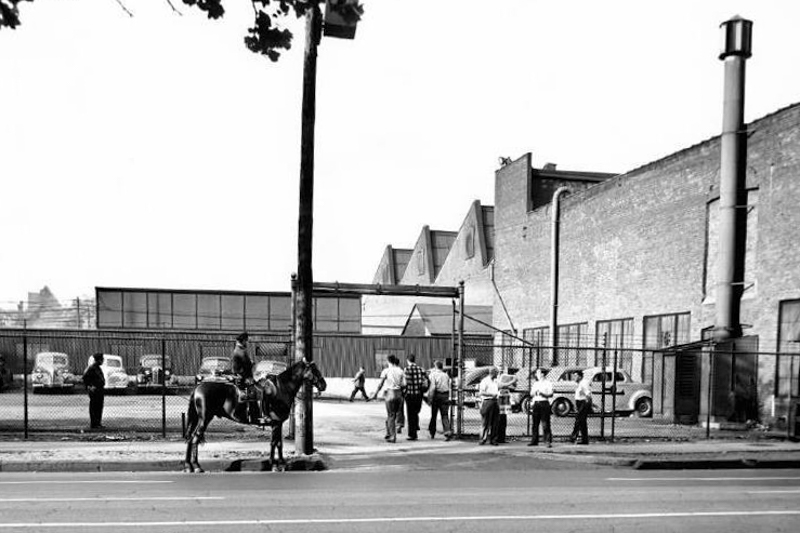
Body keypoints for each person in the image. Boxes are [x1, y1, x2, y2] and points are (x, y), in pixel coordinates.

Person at [372, 354, 406, 443]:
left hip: (390, 393)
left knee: (391, 415)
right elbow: (404, 384)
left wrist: (375, 393)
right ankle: (388, 433)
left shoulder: (386, 371)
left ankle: (392, 436)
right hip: (399, 394)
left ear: (388, 361)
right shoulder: (401, 371)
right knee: (394, 415)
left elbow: (381, 384)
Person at [231, 332, 258, 423]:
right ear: (242, 341)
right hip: (244, 378)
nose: (247, 342)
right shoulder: (239, 351)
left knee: (248, 398)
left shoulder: (240, 350)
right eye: (246, 340)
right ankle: (246, 418)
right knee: (247, 398)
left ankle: (247, 418)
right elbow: (238, 367)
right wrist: (251, 364)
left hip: (245, 378)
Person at [402, 354, 428, 441]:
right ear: (414, 360)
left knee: (410, 414)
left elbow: (404, 383)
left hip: (410, 395)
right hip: (418, 395)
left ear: (407, 360)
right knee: (416, 412)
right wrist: (423, 390)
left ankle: (412, 434)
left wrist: (404, 392)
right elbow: (427, 381)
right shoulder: (421, 369)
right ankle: (416, 426)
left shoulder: (406, 369)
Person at [427, 360, 452, 440]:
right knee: (444, 415)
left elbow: (433, 387)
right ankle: (447, 431)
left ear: (435, 366)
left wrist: (430, 398)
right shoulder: (446, 375)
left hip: (436, 395)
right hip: (445, 395)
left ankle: (432, 432)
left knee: (434, 415)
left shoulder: (433, 375)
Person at [528, 368, 553, 448]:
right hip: (536, 403)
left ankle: (547, 441)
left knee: (545, 423)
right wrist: (534, 393)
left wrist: (543, 394)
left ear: (542, 374)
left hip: (544, 403)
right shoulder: (536, 383)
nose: (536, 375)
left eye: (538, 373)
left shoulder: (548, 383)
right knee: (535, 423)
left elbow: (551, 394)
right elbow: (531, 393)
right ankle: (534, 440)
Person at [82, 353, 106, 429]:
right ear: (98, 360)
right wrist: (89, 386)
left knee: (99, 407)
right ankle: (94, 423)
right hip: (95, 391)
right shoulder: (92, 368)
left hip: (100, 390)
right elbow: (85, 378)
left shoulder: (98, 368)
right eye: (102, 359)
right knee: (94, 407)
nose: (103, 361)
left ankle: (98, 423)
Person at [478, 367, 500, 445]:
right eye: (497, 373)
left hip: (495, 401)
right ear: (493, 373)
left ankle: (493, 439)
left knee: (495, 422)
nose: (498, 375)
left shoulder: (495, 381)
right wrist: (491, 394)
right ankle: (483, 438)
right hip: (487, 401)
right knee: (485, 422)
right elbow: (481, 392)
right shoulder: (485, 381)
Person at [569, 370, 591, 445]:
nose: (574, 377)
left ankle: (573, 436)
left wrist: (587, 404)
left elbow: (588, 394)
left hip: (583, 403)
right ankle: (584, 439)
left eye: (576, 376)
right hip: (580, 403)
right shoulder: (580, 383)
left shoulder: (583, 383)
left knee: (579, 420)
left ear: (580, 376)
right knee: (582, 422)